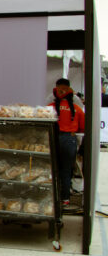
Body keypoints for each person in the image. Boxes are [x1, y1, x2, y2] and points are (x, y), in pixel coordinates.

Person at [51, 78, 85, 209]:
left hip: (53, 138)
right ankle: (65, 198)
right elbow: (83, 128)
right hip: (69, 140)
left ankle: (52, 198)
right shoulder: (77, 108)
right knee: (66, 170)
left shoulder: (50, 107)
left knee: (53, 169)